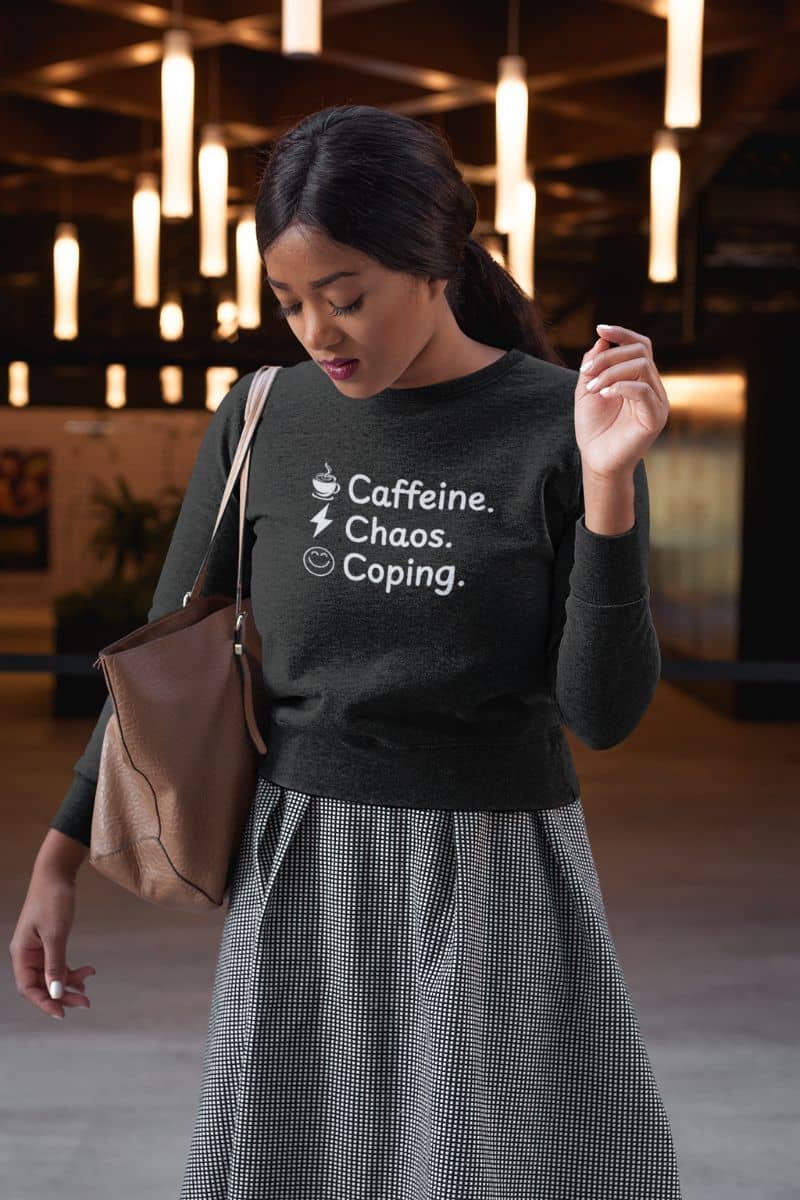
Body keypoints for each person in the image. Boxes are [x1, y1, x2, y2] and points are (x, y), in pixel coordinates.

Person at [10, 103, 682, 1198]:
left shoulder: (564, 423)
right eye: (289, 302)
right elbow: (165, 659)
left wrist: (608, 492)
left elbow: (600, 713)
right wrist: (57, 859)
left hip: (493, 873)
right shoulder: (263, 415)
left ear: (435, 264)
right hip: (298, 866)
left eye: (346, 296)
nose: (318, 333)